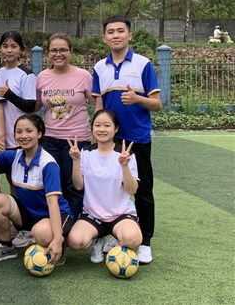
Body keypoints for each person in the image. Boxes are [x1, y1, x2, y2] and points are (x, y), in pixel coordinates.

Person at [92, 16, 162, 264]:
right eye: (111, 31)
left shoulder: (143, 64)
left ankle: (145, 242)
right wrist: (97, 131)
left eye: (120, 31)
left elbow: (157, 104)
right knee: (107, 189)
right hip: (109, 141)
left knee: (142, 190)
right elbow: (99, 103)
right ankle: (109, 234)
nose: (116, 35)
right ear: (104, 38)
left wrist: (137, 99)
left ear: (129, 35)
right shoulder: (99, 67)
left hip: (136, 139)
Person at [0, 114, 74, 265]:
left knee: (41, 233)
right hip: (29, 215)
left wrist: (56, 238)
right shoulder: (14, 156)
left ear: (39, 134)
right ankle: (6, 247)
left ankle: (59, 243)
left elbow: (53, 203)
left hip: (57, 215)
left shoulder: (48, 163)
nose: (23, 136)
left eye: (29, 131)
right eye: (19, 132)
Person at [67, 109, 142, 264]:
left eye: (107, 125)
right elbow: (78, 186)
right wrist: (76, 160)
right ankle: (98, 240)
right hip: (93, 214)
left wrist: (124, 166)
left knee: (133, 239)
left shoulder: (125, 154)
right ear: (92, 128)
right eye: (97, 125)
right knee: (75, 242)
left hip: (120, 214)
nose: (101, 129)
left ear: (116, 128)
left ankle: (117, 242)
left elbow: (132, 190)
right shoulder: (86, 152)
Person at [36, 33, 94, 219]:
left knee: (74, 185)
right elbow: (35, 105)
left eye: (63, 50)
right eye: (54, 50)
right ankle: (58, 222)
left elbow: (98, 102)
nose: (58, 54)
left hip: (77, 139)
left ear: (71, 51)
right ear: (48, 53)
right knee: (55, 185)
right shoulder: (42, 77)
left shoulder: (83, 76)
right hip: (50, 139)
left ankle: (74, 223)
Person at [0, 31, 37, 248]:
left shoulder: (26, 75)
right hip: (1, 138)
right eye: (5, 46)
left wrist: (9, 94)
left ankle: (26, 227)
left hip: (22, 138)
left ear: (21, 49)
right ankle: (9, 223)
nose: (9, 50)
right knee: (4, 182)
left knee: (20, 183)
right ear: (0, 49)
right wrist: (0, 134)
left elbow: (30, 106)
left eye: (13, 46)